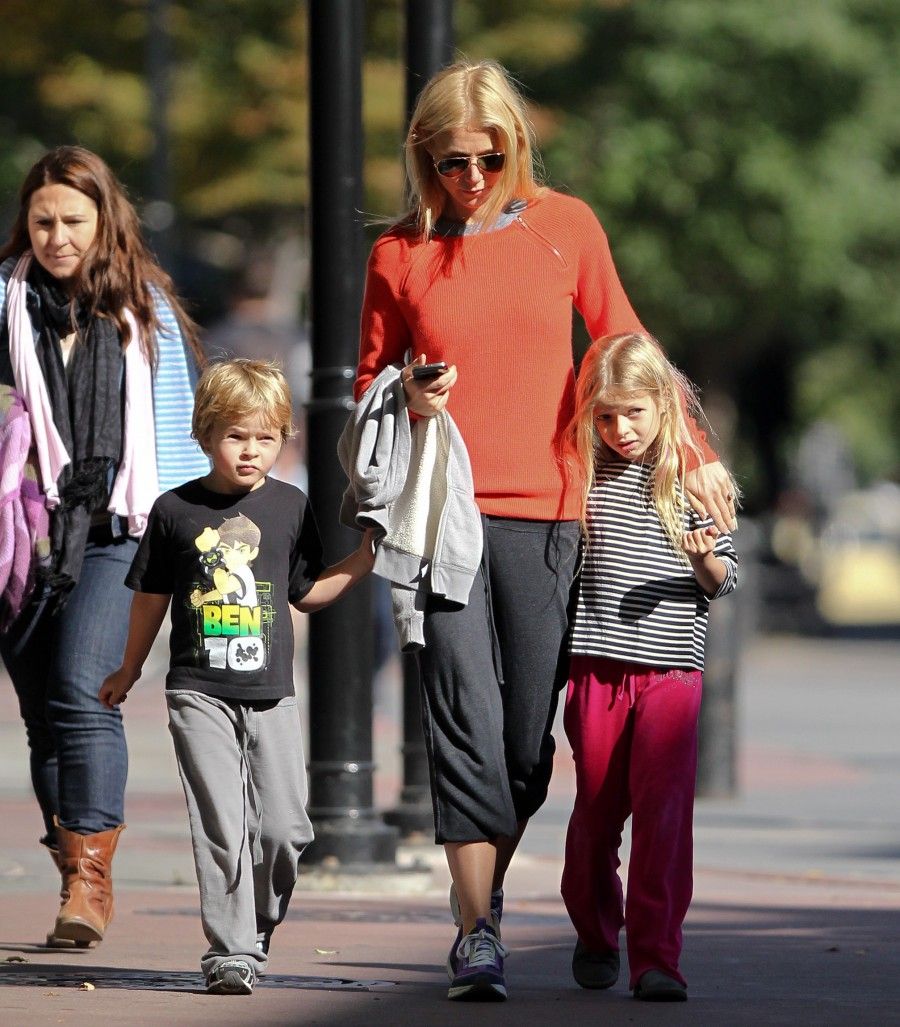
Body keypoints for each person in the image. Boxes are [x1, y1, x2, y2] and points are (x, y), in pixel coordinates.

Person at [355, 58, 737, 1002]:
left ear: (515, 147)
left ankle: (485, 897)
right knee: (462, 719)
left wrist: (695, 451)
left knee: (525, 748)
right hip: (445, 521)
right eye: (450, 163)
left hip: (553, 519)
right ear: (424, 158)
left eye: (488, 159)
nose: (472, 179)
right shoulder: (399, 255)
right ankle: (476, 928)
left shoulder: (567, 227)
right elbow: (366, 380)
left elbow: (627, 346)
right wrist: (403, 393)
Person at [98, 359, 375, 995]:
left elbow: (306, 593)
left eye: (265, 437)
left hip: (271, 692)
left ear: (283, 438)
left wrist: (361, 561)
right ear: (205, 435)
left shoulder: (290, 507)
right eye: (235, 436)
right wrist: (130, 667)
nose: (250, 451)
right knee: (220, 820)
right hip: (196, 690)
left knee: (284, 827)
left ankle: (256, 923)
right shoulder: (176, 511)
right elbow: (151, 597)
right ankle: (230, 950)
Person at [0, 145, 209, 947]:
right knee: (41, 715)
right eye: (43, 220)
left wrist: (191, 534)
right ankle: (69, 873)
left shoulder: (142, 309)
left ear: (105, 222)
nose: (56, 237)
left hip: (119, 528)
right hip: (23, 535)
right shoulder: (4, 305)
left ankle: (92, 881)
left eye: (73, 222)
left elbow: (182, 438)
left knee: (84, 691)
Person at [560, 332, 738, 1002]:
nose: (620, 428)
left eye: (633, 411)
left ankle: (656, 956)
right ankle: (595, 928)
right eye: (606, 414)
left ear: (663, 405)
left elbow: (725, 580)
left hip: (671, 674)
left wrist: (701, 555)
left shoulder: (691, 476)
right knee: (596, 813)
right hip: (597, 668)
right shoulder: (581, 470)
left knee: (664, 818)